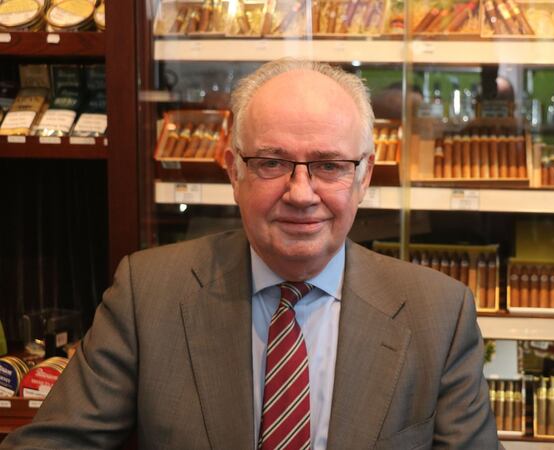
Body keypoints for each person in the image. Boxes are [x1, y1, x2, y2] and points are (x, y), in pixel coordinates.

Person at [1, 59, 499, 449]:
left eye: (329, 165)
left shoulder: (439, 313)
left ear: (364, 175)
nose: (301, 193)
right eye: (271, 163)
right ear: (233, 170)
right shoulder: (146, 294)